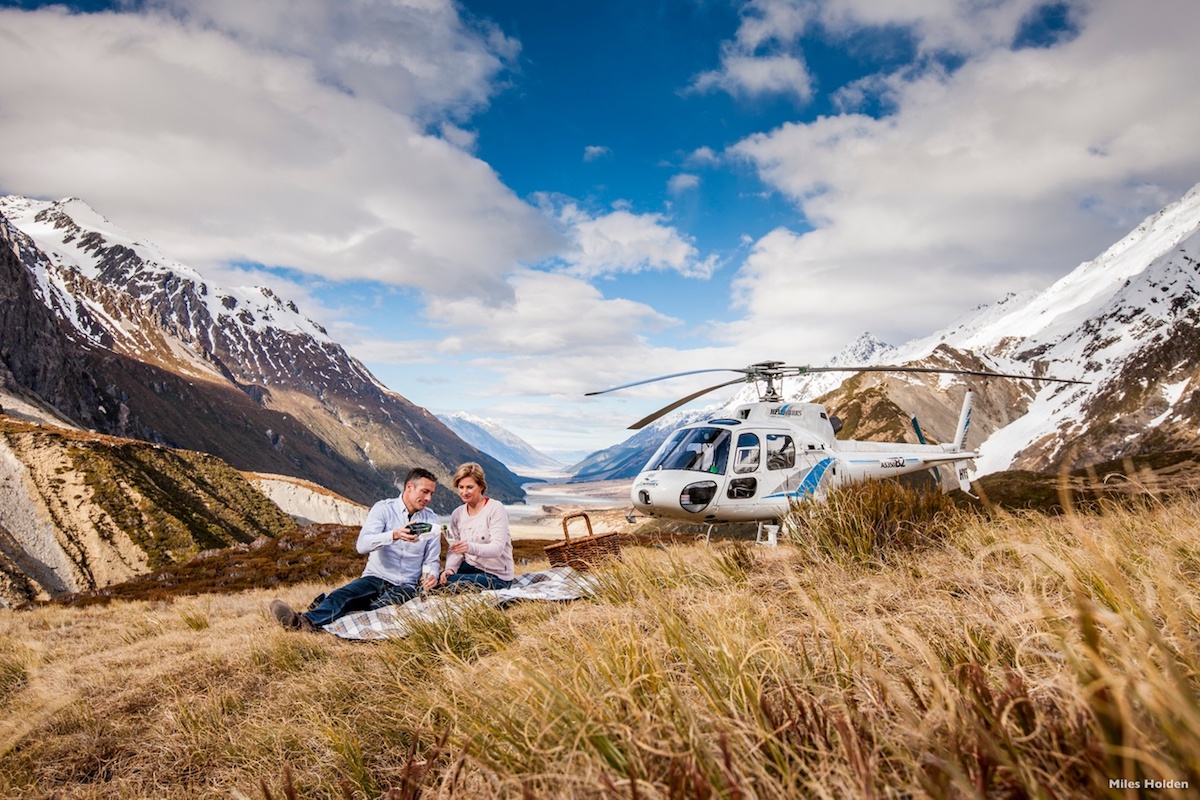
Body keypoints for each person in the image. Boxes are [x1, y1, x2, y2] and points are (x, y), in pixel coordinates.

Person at [269, 467, 441, 632]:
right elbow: (362, 545)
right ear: (409, 487)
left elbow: (432, 559)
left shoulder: (431, 519)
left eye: (431, 494)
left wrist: (432, 575)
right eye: (425, 492)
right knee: (343, 595)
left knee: (380, 610)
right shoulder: (383, 509)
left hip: (406, 584)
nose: (429, 498)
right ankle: (301, 622)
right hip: (376, 576)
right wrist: (393, 535)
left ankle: (326, 605)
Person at [439, 462, 513, 590]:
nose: (464, 492)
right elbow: (454, 549)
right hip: (470, 567)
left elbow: (497, 549)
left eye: (469, 487)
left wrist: (468, 547)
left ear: (481, 486)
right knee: (437, 579)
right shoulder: (457, 514)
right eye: (461, 487)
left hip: (497, 575)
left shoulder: (495, 509)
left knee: (449, 585)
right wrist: (450, 568)